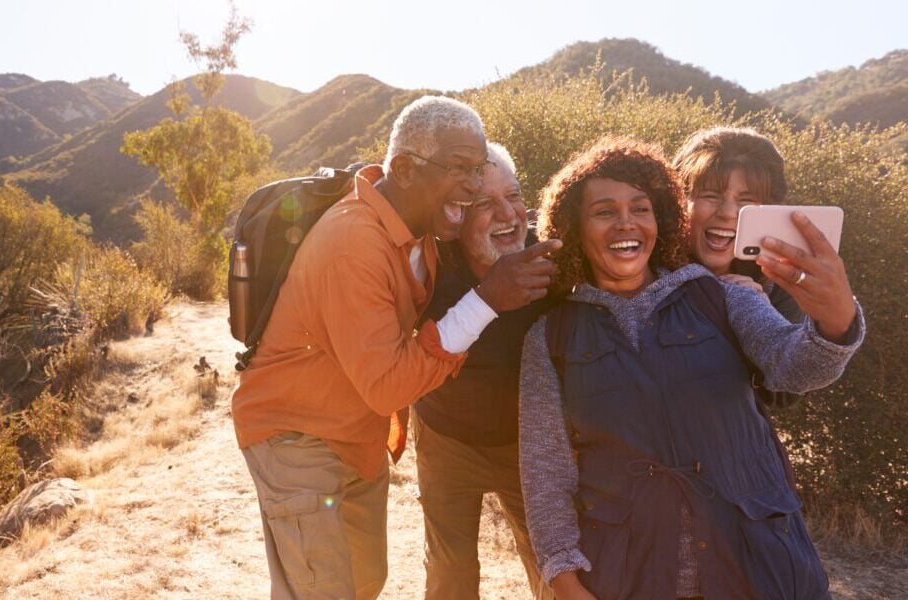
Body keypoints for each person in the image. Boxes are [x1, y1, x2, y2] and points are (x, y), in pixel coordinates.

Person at [231, 96, 562, 599]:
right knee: (320, 590)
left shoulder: (420, 232)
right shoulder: (353, 242)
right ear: (404, 168)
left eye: (478, 169)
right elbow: (388, 386)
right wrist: (488, 298)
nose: (473, 186)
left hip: (355, 435)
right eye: (461, 169)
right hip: (296, 437)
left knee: (364, 582)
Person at [518, 138, 864, 599]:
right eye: (604, 212)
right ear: (575, 228)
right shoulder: (550, 337)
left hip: (756, 565)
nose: (626, 222)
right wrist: (563, 578)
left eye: (640, 208)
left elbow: (793, 367)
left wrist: (836, 319)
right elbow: (546, 475)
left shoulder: (724, 295)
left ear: (660, 220)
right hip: (631, 573)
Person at [412, 142, 554, 600]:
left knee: (551, 566)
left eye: (513, 196)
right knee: (450, 575)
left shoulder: (554, 264)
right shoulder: (429, 269)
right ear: (455, 217)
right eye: (484, 204)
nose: (508, 214)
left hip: (526, 445)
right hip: (444, 439)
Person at [673, 126, 803, 322]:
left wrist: (764, 320)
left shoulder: (782, 285)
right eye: (711, 195)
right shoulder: (644, 277)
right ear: (679, 200)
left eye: (746, 200)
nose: (727, 213)